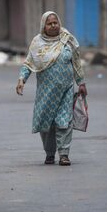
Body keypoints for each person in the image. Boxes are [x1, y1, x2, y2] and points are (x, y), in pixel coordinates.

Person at [16, 11, 88, 166]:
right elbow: (29, 63)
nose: (53, 25)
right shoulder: (37, 42)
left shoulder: (67, 40)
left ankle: (64, 154)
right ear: (44, 26)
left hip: (66, 90)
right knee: (46, 124)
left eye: (55, 22)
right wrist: (22, 79)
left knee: (65, 121)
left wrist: (81, 82)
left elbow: (76, 62)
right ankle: (49, 153)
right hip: (46, 93)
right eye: (49, 23)